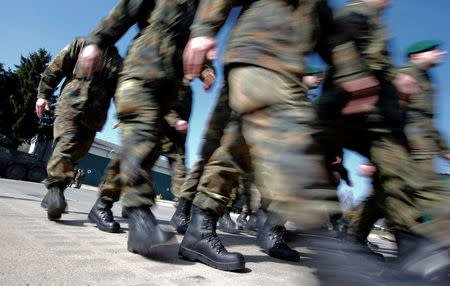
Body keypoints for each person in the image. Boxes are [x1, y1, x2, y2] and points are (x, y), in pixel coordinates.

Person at [178, 0, 379, 271]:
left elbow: (331, 35)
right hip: (257, 53)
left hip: (282, 70)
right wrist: (203, 30)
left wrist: (353, 74)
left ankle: (200, 231)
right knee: (293, 142)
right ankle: (322, 248)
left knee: (237, 147)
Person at [317, 1, 449, 282]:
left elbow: (425, 123)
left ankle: (411, 256)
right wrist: (375, 153)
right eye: (434, 50)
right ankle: (337, 247)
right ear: (418, 55)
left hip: (398, 141)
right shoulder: (359, 15)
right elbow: (343, 48)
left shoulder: (422, 79)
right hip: (375, 131)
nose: (441, 53)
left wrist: (445, 152)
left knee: (395, 192)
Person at [77, 0, 201, 256]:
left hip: (169, 86)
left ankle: (102, 203)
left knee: (140, 151)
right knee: (141, 142)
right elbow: (127, 9)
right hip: (143, 69)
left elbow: (194, 37)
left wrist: (205, 66)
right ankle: (141, 220)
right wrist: (97, 42)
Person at [36, 37, 122, 220]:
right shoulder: (83, 44)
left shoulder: (117, 61)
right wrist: (44, 94)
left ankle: (53, 193)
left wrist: (124, 113)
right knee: (67, 145)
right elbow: (57, 66)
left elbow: (120, 91)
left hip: (93, 118)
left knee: (76, 155)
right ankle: (56, 190)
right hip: (70, 106)